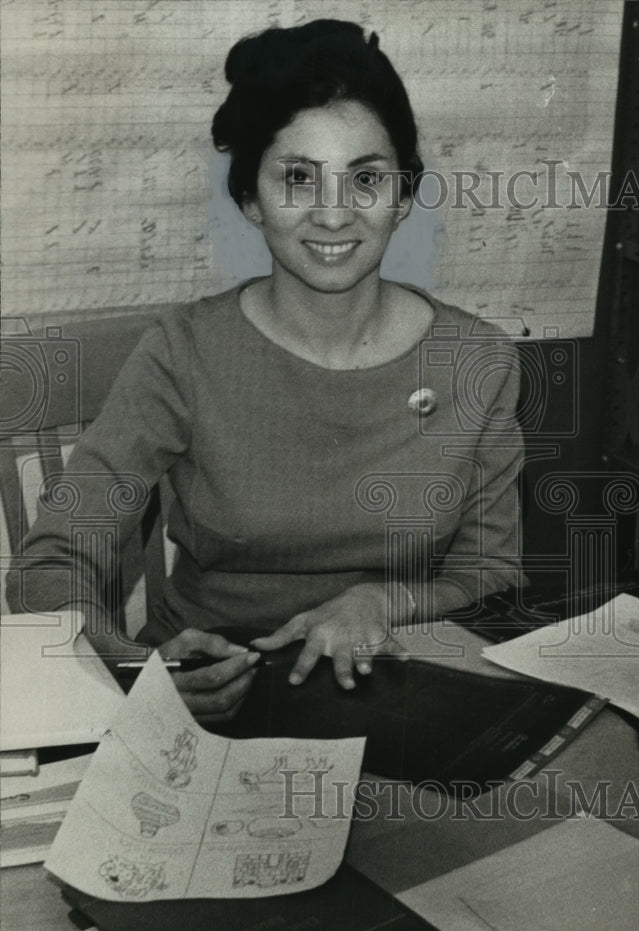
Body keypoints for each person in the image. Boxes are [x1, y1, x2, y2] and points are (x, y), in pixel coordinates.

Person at [7, 19, 525, 726]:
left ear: (404, 195)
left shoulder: (477, 360)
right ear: (249, 199)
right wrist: (132, 670)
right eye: (297, 179)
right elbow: (51, 565)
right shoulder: (182, 352)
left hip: (393, 686)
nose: (334, 214)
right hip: (206, 698)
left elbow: (490, 572)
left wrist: (382, 600)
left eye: (366, 178)